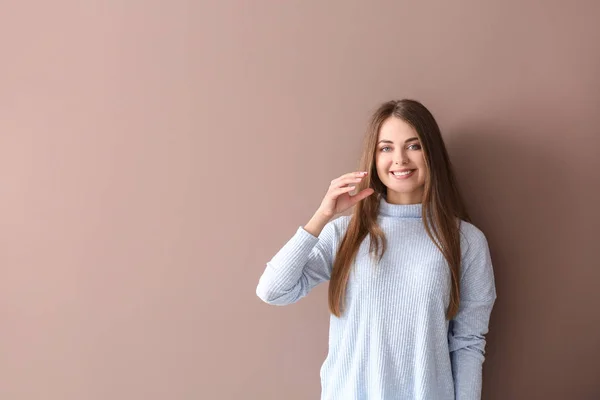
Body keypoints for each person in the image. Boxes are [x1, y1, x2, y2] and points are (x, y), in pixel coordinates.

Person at [256, 99, 497, 400]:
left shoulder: (466, 241)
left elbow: (467, 344)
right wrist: (322, 216)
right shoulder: (345, 233)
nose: (399, 159)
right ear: (373, 157)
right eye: (386, 148)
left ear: (431, 153)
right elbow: (273, 291)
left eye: (414, 146)